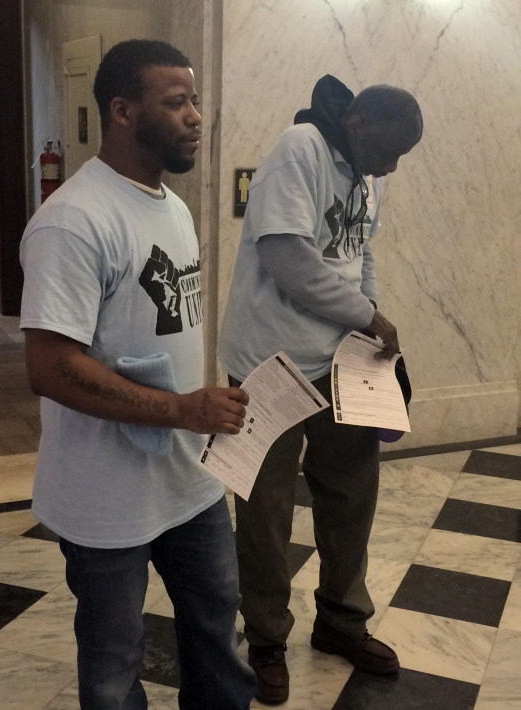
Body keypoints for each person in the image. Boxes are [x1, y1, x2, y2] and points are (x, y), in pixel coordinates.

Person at [20, 39, 257, 710]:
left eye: (195, 102)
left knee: (217, 630)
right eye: (176, 102)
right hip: (103, 494)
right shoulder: (72, 221)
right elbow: (51, 367)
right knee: (113, 664)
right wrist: (181, 409)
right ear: (122, 111)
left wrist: (202, 412)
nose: (195, 117)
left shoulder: (173, 208)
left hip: (189, 481)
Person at [218, 75, 423, 705]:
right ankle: (267, 640)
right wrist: (368, 318)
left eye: (400, 159)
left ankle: (340, 622)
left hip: (339, 366)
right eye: (387, 151)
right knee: (265, 511)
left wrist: (369, 325)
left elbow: (359, 253)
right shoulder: (299, 148)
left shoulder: (368, 176)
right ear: (358, 123)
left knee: (351, 498)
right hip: (269, 365)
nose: (391, 167)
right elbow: (286, 255)